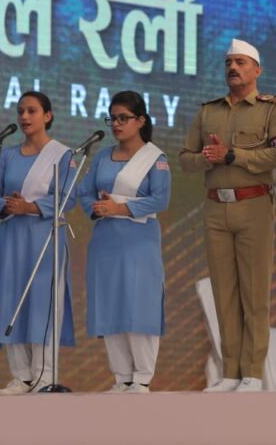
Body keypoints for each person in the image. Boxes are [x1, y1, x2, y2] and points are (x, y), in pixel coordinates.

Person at [180, 39, 276, 393]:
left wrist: (233, 156)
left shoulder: (273, 109)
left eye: (241, 62)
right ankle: (230, 372)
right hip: (216, 208)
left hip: (254, 205)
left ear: (257, 69)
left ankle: (253, 373)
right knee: (223, 294)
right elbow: (185, 159)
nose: (233, 68)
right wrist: (207, 158)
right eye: (229, 62)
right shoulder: (208, 112)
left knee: (254, 294)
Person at [0, 91, 76, 394]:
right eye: (20, 111)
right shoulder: (7, 156)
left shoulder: (63, 155)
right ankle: (21, 376)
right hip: (11, 239)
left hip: (44, 239)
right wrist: (9, 206)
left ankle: (43, 376)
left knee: (42, 303)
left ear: (47, 116)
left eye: (32, 111)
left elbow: (68, 197)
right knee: (11, 301)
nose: (24, 117)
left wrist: (31, 207)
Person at [80, 91, 171, 393]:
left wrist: (120, 208)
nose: (116, 124)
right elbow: (84, 193)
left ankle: (142, 377)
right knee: (110, 304)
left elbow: (160, 199)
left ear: (141, 120)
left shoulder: (155, 158)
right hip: (105, 240)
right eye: (113, 118)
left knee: (139, 304)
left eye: (123, 118)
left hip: (139, 242)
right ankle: (122, 377)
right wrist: (97, 207)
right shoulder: (102, 156)